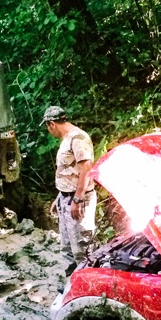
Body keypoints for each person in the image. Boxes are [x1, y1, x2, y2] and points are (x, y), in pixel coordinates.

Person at [43, 105, 96, 276]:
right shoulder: (66, 139)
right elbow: (68, 171)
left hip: (79, 200)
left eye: (48, 128)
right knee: (67, 246)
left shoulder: (78, 138)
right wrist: (59, 198)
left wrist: (78, 199)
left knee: (82, 246)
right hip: (65, 199)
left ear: (52, 124)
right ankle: (70, 282)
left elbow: (86, 168)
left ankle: (88, 282)